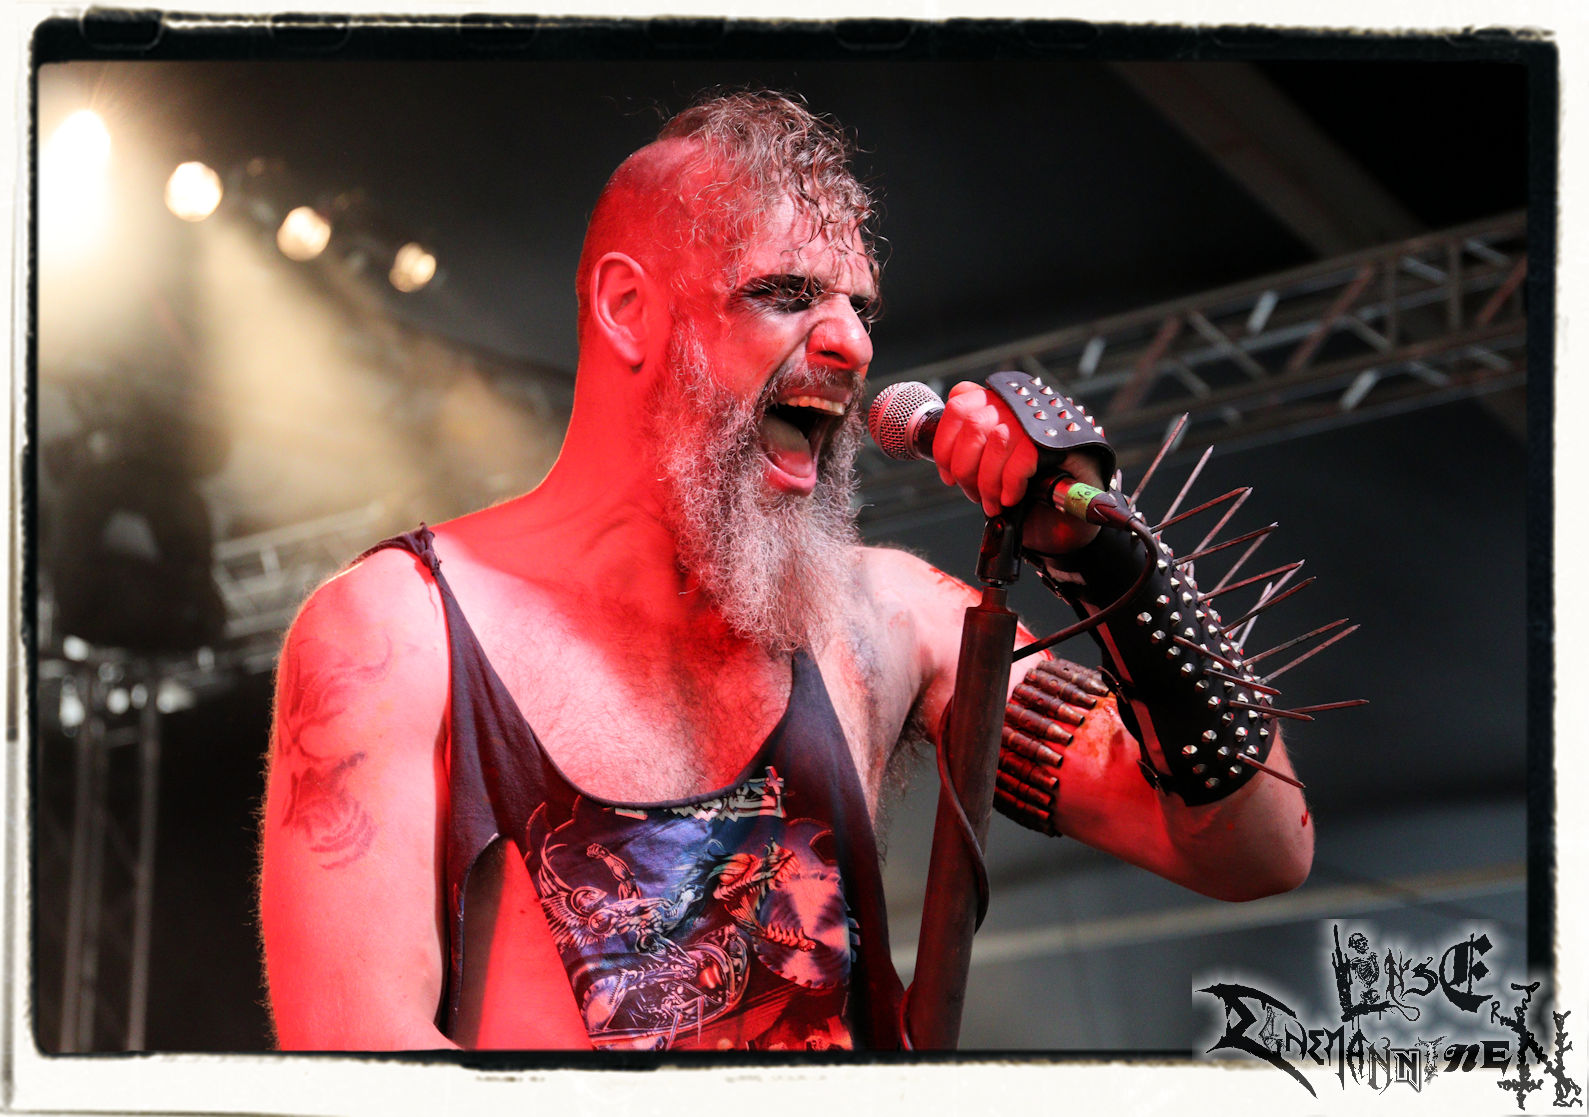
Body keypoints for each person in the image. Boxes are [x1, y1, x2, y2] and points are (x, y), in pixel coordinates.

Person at [258, 90, 1313, 1051]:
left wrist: (1107, 555)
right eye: (784, 292)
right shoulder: (396, 631)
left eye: (859, 306)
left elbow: (1251, 850)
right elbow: (357, 1063)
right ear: (627, 308)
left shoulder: (885, 619)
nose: (851, 342)